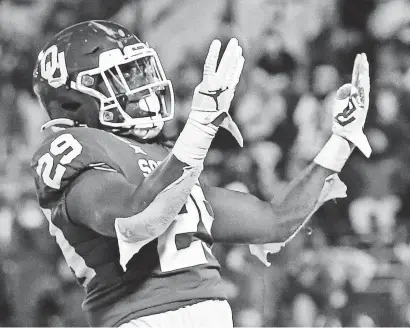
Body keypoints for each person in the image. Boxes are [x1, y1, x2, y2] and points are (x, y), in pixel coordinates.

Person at [31, 20, 371, 327]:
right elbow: (134, 220)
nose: (142, 86)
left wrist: (341, 141)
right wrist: (200, 128)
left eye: (140, 71)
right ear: (73, 100)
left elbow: (275, 222)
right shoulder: (74, 145)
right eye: (124, 75)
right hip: (141, 318)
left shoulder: (164, 156)